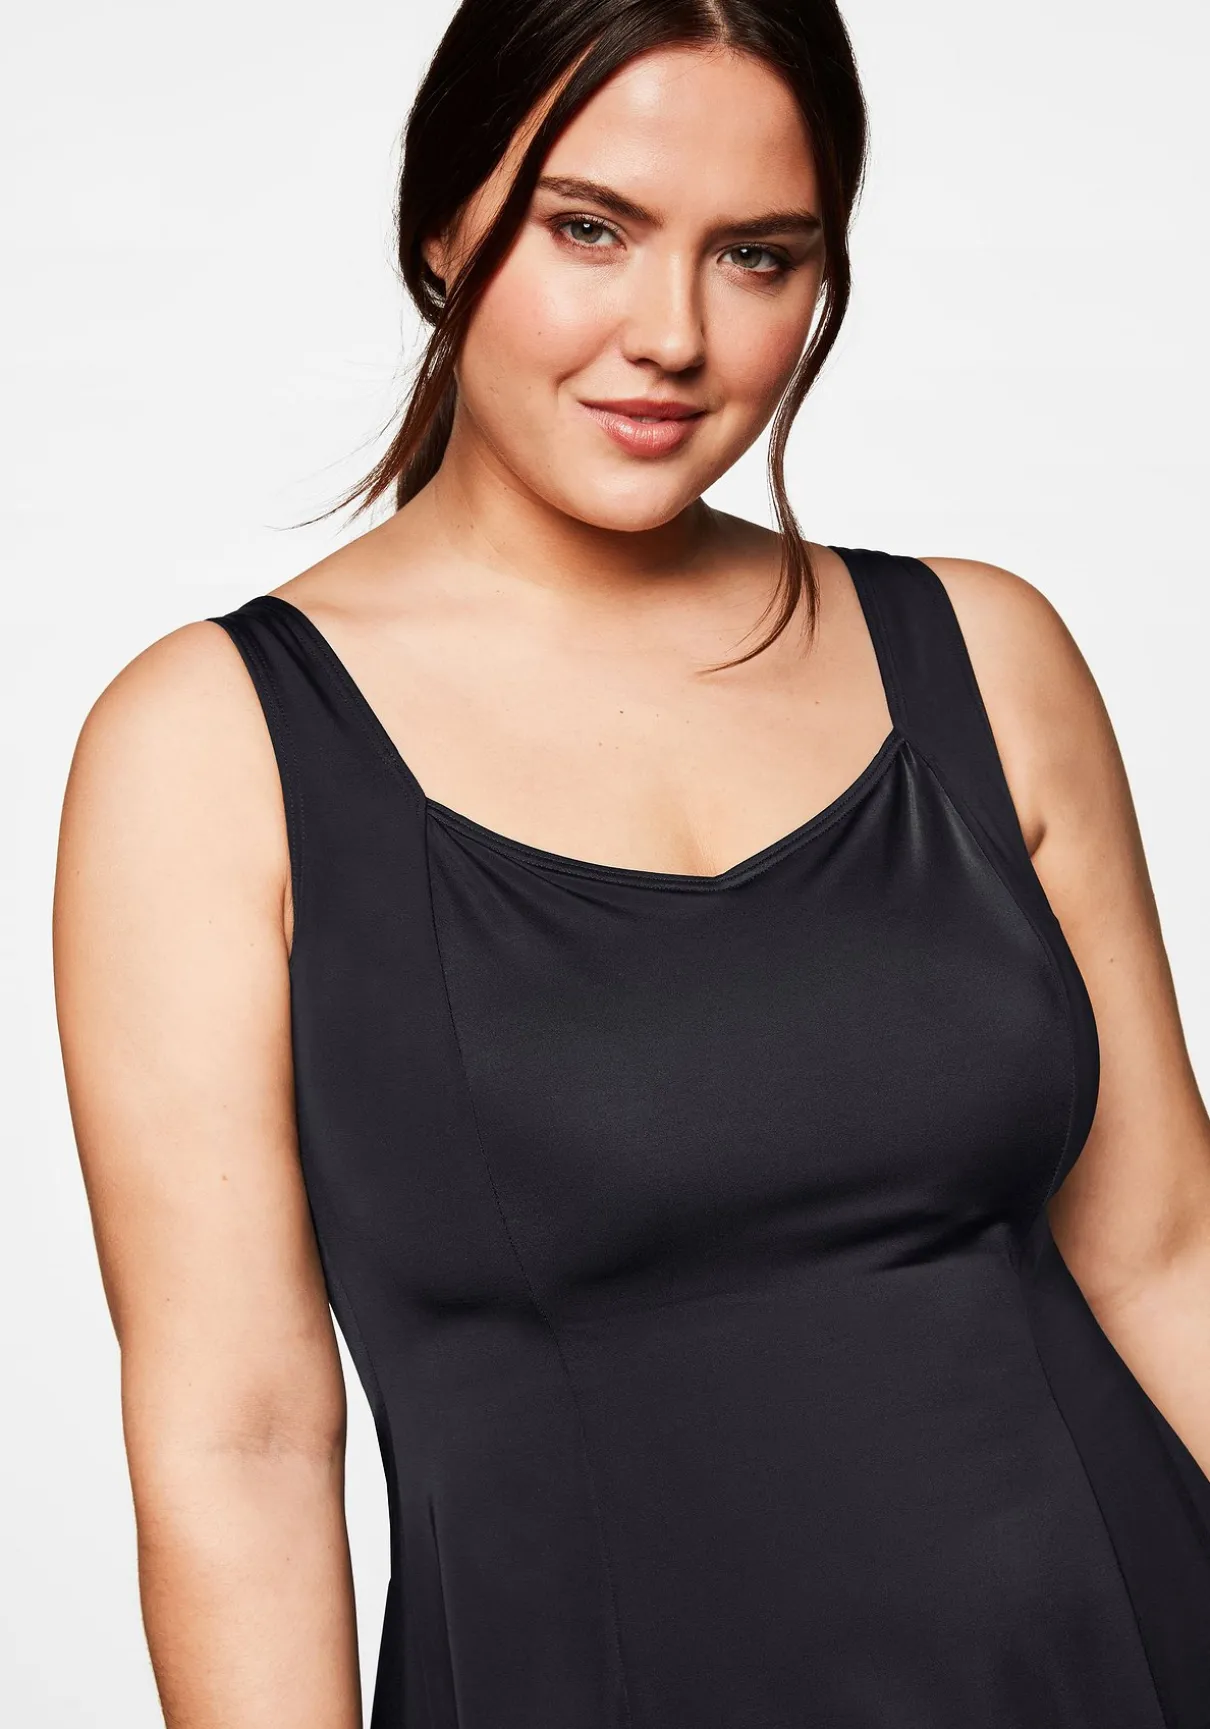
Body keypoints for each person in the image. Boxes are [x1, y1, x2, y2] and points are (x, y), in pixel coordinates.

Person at [52, 1, 1210, 1725]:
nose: (670, 335)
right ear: (441, 225)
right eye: (588, 229)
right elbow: (241, 1438)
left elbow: (1164, 1257)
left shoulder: (983, 654)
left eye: (756, 256)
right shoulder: (211, 746)